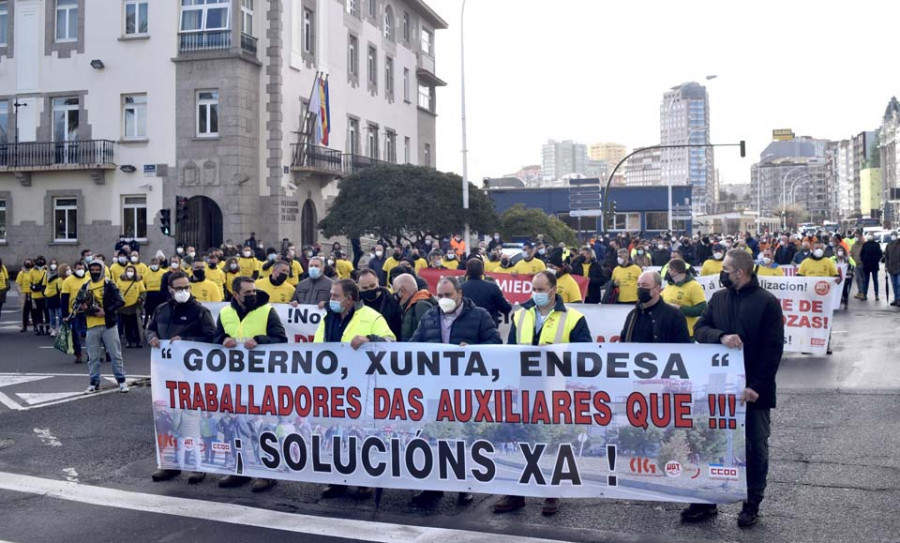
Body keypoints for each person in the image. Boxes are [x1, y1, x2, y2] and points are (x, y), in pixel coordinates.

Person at [686, 249, 784, 527]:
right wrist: (721, 336)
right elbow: (700, 330)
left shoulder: (767, 303)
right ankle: (706, 501)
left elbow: (773, 349)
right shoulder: (718, 299)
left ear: (739, 272)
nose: (722, 272)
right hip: (718, 391)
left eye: (726, 268)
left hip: (752, 392)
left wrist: (756, 387)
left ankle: (751, 503)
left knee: (754, 448)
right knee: (711, 445)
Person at [497, 271, 591, 516]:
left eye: (541, 289)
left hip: (556, 386)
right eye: (534, 289)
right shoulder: (520, 315)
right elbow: (510, 351)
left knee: (554, 440)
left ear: (553, 289)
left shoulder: (574, 317)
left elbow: (586, 353)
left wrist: (556, 351)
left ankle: (552, 493)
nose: (536, 294)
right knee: (523, 438)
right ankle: (517, 494)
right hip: (526, 385)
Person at [407, 276, 499, 505]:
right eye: (440, 295)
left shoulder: (480, 316)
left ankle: (464, 486)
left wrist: (475, 350)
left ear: (459, 294)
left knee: (462, 437)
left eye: (448, 295)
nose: (444, 300)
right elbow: (413, 344)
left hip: (465, 390)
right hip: (436, 388)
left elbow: (496, 344)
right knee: (435, 436)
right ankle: (433, 486)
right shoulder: (429, 316)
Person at [315, 279, 395, 499]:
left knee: (359, 437)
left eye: (335, 296)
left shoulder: (371, 316)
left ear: (349, 299)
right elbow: (317, 344)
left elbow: (391, 341)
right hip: (335, 385)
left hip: (362, 386)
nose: (330, 300)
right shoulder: (329, 317)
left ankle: (365, 481)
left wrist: (369, 339)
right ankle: (338, 481)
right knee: (338, 436)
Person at [214, 276, 287, 493]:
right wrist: (222, 340)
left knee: (263, 428)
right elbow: (215, 337)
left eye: (254, 291)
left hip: (261, 381)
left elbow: (281, 340)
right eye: (247, 293)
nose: (253, 295)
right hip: (235, 380)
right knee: (237, 427)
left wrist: (260, 340)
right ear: (235, 294)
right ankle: (240, 471)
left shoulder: (267, 311)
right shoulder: (225, 313)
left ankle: (267, 473)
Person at [147, 271, 217, 484]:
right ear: (170, 289)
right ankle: (170, 465)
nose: (183, 291)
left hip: (191, 376)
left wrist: (185, 340)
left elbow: (211, 336)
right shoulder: (161, 310)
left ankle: (197, 466)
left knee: (192, 422)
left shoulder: (199, 311)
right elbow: (149, 329)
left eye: (186, 287)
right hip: (166, 375)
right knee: (167, 422)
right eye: (179, 288)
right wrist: (152, 338)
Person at [78, 261, 129, 394]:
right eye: (92, 269)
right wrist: (82, 307)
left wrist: (106, 311)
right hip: (91, 325)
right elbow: (77, 304)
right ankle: (94, 383)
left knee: (115, 354)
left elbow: (120, 301)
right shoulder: (85, 286)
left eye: (97, 269)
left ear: (101, 270)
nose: (94, 271)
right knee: (93, 357)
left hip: (108, 325)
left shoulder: (109, 284)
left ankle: (121, 381)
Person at [622, 270, 691, 342]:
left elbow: (683, 347)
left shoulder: (675, 315)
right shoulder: (633, 315)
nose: (640, 288)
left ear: (658, 289)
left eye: (645, 285)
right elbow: (624, 343)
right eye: (638, 285)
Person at [660, 259, 707, 338]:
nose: (667, 272)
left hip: (686, 333)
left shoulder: (694, 286)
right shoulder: (669, 285)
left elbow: (702, 310)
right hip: (669, 332)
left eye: (668, 270)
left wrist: (680, 309)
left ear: (673, 271)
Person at [460, 258, 512, 326]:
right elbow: (505, 308)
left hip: (467, 327)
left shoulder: (459, 288)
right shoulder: (492, 287)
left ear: (467, 271)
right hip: (489, 327)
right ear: (482, 271)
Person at [357, 268, 402, 340]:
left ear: (377, 281)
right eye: (364, 288)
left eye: (372, 286)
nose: (369, 289)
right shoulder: (355, 303)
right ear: (358, 286)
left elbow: (398, 326)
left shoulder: (391, 300)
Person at [61, 262, 91, 363]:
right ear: (74, 269)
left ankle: (90, 354)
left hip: (87, 311)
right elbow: (64, 299)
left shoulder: (88, 280)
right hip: (73, 312)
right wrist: (64, 315)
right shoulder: (68, 281)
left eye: (82, 268)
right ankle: (78, 354)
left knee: (89, 334)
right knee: (74, 335)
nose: (80, 270)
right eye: (78, 268)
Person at [392, 273, 436, 341]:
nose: (393, 294)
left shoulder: (421, 306)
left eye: (394, 289)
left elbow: (429, 334)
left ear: (402, 291)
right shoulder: (409, 306)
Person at [116, 264, 146, 348]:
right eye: (128, 271)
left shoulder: (138, 281)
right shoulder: (120, 281)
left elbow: (143, 292)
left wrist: (141, 298)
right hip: (124, 307)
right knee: (127, 326)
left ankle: (138, 341)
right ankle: (129, 341)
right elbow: (116, 292)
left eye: (131, 271)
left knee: (137, 325)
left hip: (135, 306)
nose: (130, 273)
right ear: (125, 272)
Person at [858, 233, 884, 301]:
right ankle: (864, 294)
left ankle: (876, 295)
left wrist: (876, 260)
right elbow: (861, 254)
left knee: (875, 280)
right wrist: (864, 260)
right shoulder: (865, 245)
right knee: (866, 280)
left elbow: (880, 254)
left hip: (873, 265)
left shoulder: (876, 245)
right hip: (867, 265)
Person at [143, 258, 167, 326]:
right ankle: (147, 325)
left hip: (160, 295)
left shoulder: (163, 273)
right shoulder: (146, 273)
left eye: (156, 264)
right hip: (149, 295)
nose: (154, 265)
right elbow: (144, 284)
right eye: (152, 264)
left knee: (160, 312)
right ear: (150, 265)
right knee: (148, 313)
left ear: (159, 264)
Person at [45, 259, 63, 336]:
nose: (53, 265)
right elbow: (44, 284)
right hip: (49, 296)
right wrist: (45, 293)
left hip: (58, 296)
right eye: (52, 263)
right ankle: (52, 329)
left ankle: (60, 328)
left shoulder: (60, 274)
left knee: (60, 314)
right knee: (51, 315)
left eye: (55, 263)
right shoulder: (47, 274)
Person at [884, 232, 900, 306]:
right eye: (892, 235)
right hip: (891, 268)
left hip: (899, 267)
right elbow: (886, 257)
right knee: (894, 284)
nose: (893, 237)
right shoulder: (888, 245)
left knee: (899, 284)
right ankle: (896, 299)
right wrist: (886, 266)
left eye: (894, 235)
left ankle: (899, 299)